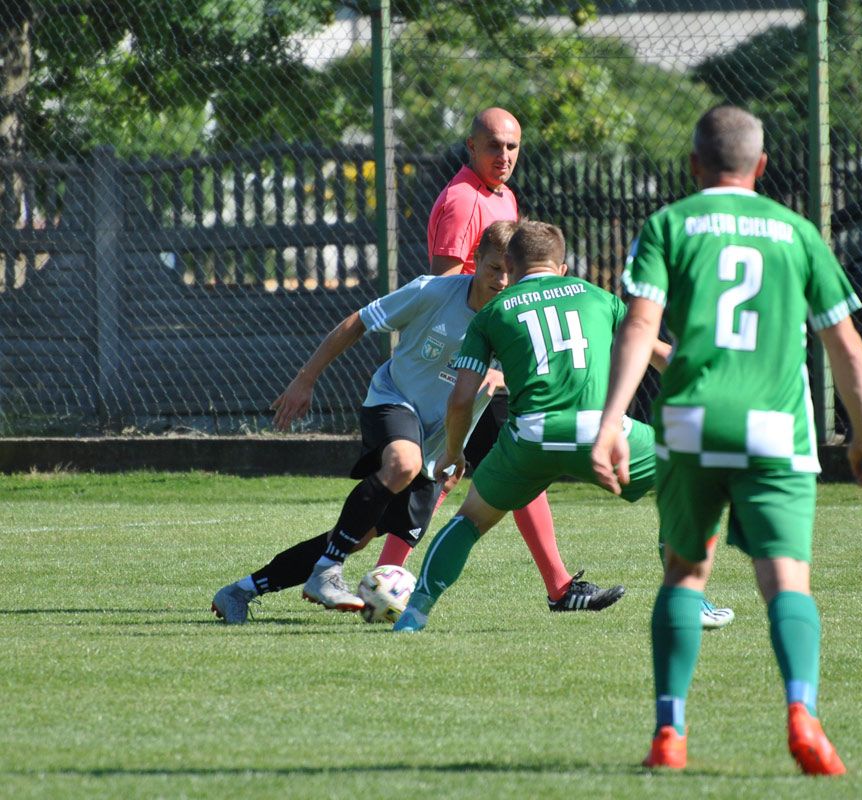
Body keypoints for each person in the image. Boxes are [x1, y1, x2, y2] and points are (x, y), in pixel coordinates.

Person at [591, 105, 862, 773]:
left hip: (691, 424)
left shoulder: (669, 225)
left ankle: (670, 732)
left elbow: (638, 327)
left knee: (685, 573)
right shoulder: (797, 232)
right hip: (775, 429)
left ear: (694, 164)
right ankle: (802, 714)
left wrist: (610, 422)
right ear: (761, 166)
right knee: (785, 580)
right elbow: (844, 343)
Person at [211, 224, 525, 622]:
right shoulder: (433, 292)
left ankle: (240, 591)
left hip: (437, 446)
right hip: (393, 400)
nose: (502, 280)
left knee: (354, 537)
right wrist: (305, 379)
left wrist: (459, 442)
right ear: (475, 260)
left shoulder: (516, 320)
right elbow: (359, 321)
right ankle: (327, 571)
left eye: (510, 272)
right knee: (402, 462)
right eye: (494, 268)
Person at [372, 107, 613, 613]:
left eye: (512, 147)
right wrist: (483, 364)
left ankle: (383, 577)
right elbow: (446, 290)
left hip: (494, 356)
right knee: (471, 469)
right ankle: (374, 573)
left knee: (487, 466)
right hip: (472, 362)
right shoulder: (462, 201)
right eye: (493, 146)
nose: (504, 156)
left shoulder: (503, 196)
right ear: (471, 148)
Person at [391, 220, 679, 632]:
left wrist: (453, 453)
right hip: (601, 433)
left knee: (470, 520)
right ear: (562, 268)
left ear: (510, 266)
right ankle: (687, 599)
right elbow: (660, 355)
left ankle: (414, 614)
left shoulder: (491, 314)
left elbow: (461, 399)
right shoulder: (597, 297)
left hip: (529, 438)